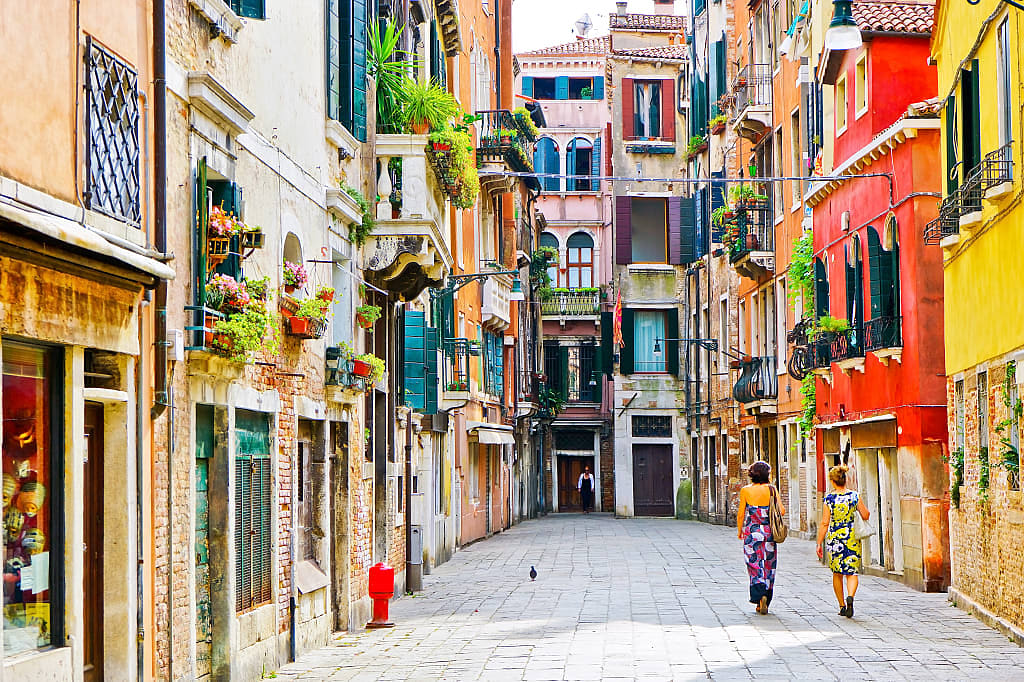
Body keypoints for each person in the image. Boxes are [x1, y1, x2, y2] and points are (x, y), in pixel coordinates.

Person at [816, 464, 870, 618]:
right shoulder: (855, 496)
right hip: (852, 538)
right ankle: (851, 596)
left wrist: (819, 542)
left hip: (835, 540)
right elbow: (865, 515)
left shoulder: (829, 498)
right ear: (845, 480)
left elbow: (825, 523)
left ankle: (842, 606)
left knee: (837, 573)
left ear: (833, 482)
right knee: (851, 572)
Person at [737, 461, 784, 615]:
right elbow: (782, 511)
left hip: (752, 533)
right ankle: (767, 595)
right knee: (769, 565)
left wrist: (740, 530)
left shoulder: (745, 490)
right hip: (769, 532)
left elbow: (741, 514)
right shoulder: (771, 489)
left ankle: (759, 595)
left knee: (754, 564)